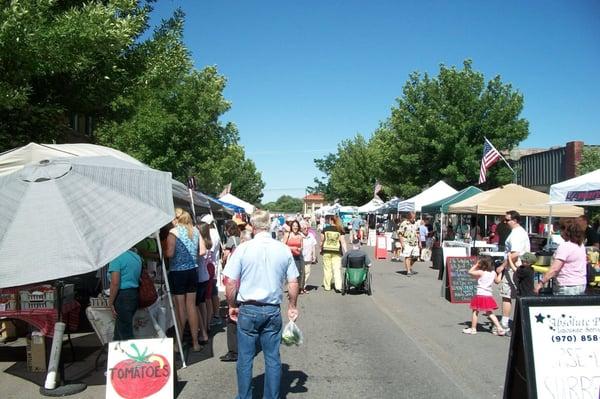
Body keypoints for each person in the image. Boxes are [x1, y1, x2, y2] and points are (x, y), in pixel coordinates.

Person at [223, 210, 299, 399]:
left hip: (248, 308)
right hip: (272, 309)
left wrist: (232, 305)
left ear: (253, 226)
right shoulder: (282, 249)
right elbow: (293, 282)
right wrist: (292, 305)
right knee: (273, 358)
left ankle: (245, 396)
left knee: (245, 359)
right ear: (269, 225)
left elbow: (230, 282)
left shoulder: (243, 248)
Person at [165, 208, 202, 351]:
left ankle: (178, 342)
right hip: (193, 270)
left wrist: (163, 251)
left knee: (180, 308)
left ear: (176, 219)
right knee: (191, 307)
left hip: (178, 272)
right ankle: (195, 342)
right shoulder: (195, 231)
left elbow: (170, 253)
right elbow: (201, 251)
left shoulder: (173, 233)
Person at [495, 210, 530, 335]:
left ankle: (504, 323)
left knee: (507, 296)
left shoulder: (516, 234)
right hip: (519, 267)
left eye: (507, 219)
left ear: (514, 221)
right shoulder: (520, 232)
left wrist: (502, 266)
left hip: (513, 267)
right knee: (518, 295)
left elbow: (514, 254)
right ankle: (518, 322)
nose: (505, 222)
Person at [534, 218, 587, 296]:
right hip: (580, 283)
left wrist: (541, 283)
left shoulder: (565, 246)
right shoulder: (580, 245)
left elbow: (555, 269)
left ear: (566, 231)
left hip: (566, 285)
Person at [462, 255, 505, 336]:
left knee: (475, 311)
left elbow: (470, 272)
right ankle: (499, 328)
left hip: (480, 294)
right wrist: (500, 273)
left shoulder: (481, 272)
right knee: (489, 312)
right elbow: (497, 281)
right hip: (488, 295)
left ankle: (473, 328)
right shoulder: (493, 273)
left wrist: (476, 265)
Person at [108, 248, 142, 341]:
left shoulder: (116, 258)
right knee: (121, 329)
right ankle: (116, 351)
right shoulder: (136, 257)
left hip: (122, 296)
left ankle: (131, 354)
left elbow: (115, 283)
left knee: (125, 333)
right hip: (134, 293)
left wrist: (110, 302)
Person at [219, 220, 241, 363]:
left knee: (232, 316)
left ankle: (233, 351)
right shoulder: (243, 240)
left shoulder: (230, 241)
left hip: (234, 282)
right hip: (244, 283)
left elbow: (226, 257)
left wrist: (223, 258)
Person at [200, 214, 222, 327]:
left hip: (209, 266)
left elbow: (208, 251)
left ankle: (213, 317)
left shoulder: (211, 233)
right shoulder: (215, 232)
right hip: (212, 266)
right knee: (211, 294)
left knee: (209, 295)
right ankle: (213, 316)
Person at [321, 214, 347, 292]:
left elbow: (322, 241)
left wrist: (320, 249)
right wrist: (346, 251)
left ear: (331, 221)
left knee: (327, 269)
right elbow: (343, 242)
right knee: (337, 269)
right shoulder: (340, 230)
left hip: (326, 250)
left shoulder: (325, 229)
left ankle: (327, 286)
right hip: (337, 251)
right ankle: (338, 286)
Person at [283, 220, 305, 292]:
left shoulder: (300, 236)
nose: (295, 227)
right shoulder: (288, 235)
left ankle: (297, 288)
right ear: (291, 227)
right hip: (289, 256)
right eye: (294, 226)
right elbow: (283, 246)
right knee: (289, 273)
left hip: (298, 256)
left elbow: (302, 246)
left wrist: (299, 249)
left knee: (299, 272)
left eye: (296, 226)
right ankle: (289, 287)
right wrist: (292, 248)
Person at [399, 212, 420, 276]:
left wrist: (419, 241)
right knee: (408, 256)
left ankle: (409, 267)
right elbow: (400, 234)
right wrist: (402, 243)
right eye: (412, 218)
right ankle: (408, 270)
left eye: (414, 218)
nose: (413, 219)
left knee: (416, 256)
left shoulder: (416, 223)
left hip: (415, 242)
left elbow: (417, 232)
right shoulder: (404, 223)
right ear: (409, 217)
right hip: (407, 242)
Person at [301, 221, 317, 293]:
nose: (306, 229)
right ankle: (299, 287)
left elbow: (313, 246)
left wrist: (314, 256)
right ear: (301, 229)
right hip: (300, 258)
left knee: (307, 273)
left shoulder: (311, 235)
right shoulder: (299, 235)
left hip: (308, 257)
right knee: (301, 273)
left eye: (307, 228)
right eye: (304, 228)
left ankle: (303, 286)